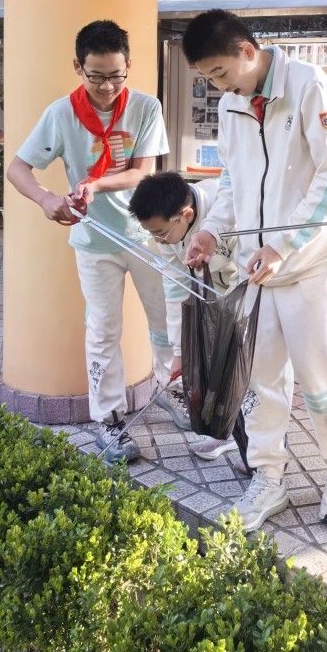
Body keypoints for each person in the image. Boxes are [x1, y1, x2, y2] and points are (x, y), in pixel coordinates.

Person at [181, 9, 327, 532]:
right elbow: (232, 180)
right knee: (258, 376)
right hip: (253, 267)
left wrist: (282, 245)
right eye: (209, 79)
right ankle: (267, 475)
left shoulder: (309, 86)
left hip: (310, 263)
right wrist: (213, 231)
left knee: (318, 372)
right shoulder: (231, 104)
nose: (220, 87)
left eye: (220, 73)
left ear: (246, 51)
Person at [7, 20, 175, 463]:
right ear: (78, 67)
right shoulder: (61, 114)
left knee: (166, 319)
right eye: (96, 76)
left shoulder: (145, 107)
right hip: (94, 241)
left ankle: (170, 390)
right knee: (103, 330)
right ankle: (109, 419)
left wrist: (95, 185)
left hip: (147, 236)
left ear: (129, 66)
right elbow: (17, 169)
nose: (107, 87)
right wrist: (46, 199)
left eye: (116, 75)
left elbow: (142, 172)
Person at [128, 171, 241, 462]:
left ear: (186, 215)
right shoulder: (167, 236)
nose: (158, 240)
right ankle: (228, 433)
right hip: (215, 289)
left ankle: (258, 444)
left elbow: (245, 272)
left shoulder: (227, 207)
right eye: (151, 233)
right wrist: (180, 353)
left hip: (250, 285)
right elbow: (176, 289)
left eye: (160, 233)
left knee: (243, 361)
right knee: (216, 360)